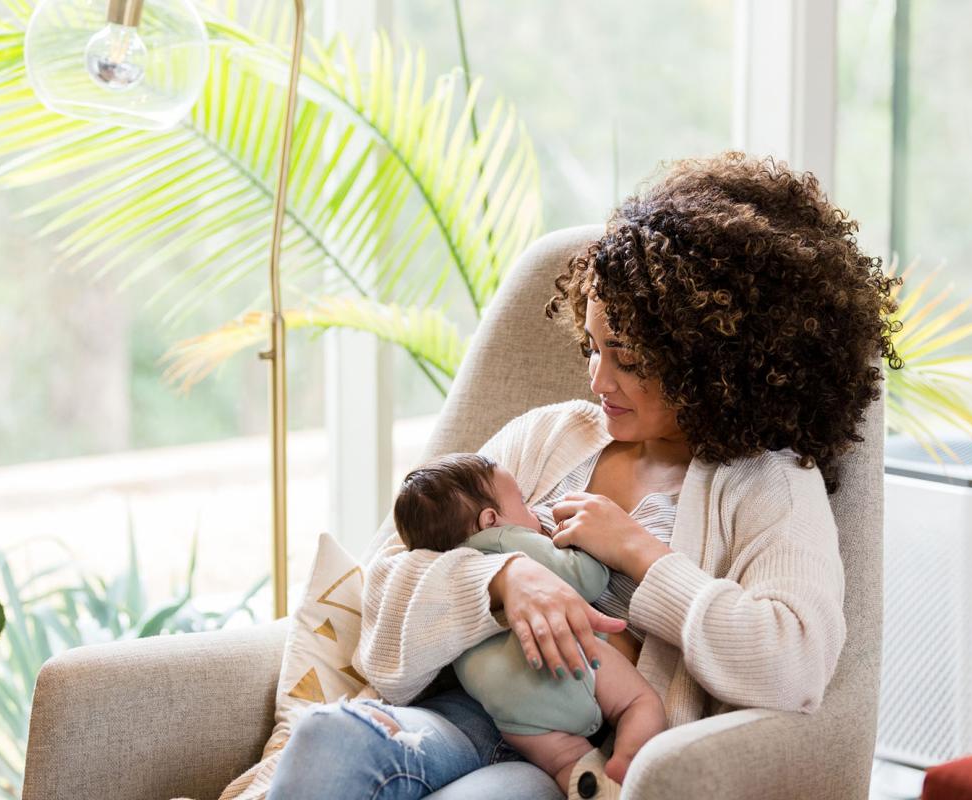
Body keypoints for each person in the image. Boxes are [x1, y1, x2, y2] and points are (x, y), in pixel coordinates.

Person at [268, 151, 901, 799]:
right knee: (327, 736)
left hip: (575, 758)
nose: (598, 381)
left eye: (626, 358)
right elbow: (385, 586)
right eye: (594, 348)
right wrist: (503, 578)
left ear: (710, 363)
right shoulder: (548, 436)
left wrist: (639, 553)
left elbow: (794, 662)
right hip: (451, 713)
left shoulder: (767, 484)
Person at [392, 452, 667, 796]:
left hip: (506, 707)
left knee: (565, 762)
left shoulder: (443, 565)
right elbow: (587, 579)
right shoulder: (508, 540)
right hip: (566, 664)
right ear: (490, 518)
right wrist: (584, 543)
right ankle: (628, 760)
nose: (533, 510)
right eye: (522, 501)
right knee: (640, 703)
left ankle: (592, 786)